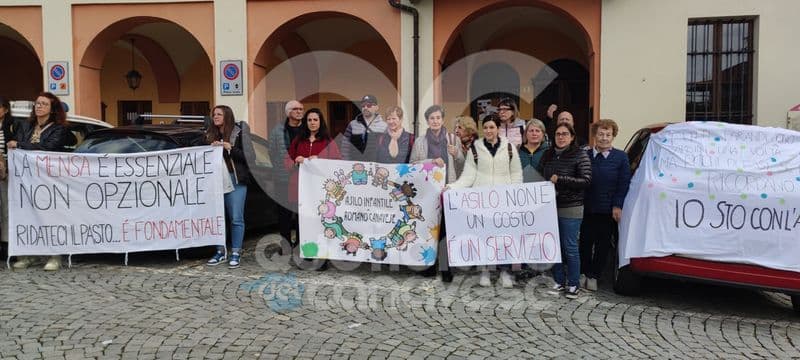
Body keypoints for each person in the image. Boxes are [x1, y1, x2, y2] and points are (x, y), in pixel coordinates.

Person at [449, 114, 523, 288]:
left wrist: (514, 195)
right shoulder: (475, 149)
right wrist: (451, 187)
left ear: (498, 128)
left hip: (503, 201)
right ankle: (485, 271)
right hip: (482, 202)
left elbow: (516, 174)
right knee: (484, 237)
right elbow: (468, 176)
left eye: (492, 127)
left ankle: (504, 272)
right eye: (486, 127)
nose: (489, 131)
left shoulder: (509, 148)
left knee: (503, 238)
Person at [8, 92, 77, 271]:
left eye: (44, 104)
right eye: (37, 103)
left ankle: (55, 256)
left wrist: (20, 145)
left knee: (51, 217)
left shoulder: (59, 129)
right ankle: (28, 255)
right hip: (25, 180)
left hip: (49, 180)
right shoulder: (25, 125)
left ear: (52, 109)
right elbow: (19, 145)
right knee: (26, 216)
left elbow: (48, 147)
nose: (39, 106)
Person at [410, 105, 464, 282]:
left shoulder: (453, 139)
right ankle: (430, 266)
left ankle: (446, 268)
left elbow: (462, 166)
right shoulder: (420, 142)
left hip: (447, 189)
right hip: (427, 192)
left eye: (438, 118)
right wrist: (431, 161)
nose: (435, 121)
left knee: (446, 231)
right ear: (427, 121)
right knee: (429, 229)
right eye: (432, 118)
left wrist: (457, 154)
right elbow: (412, 165)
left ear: (442, 119)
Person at [540, 123, 592, 299]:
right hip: (550, 206)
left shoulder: (580, 154)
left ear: (572, 137)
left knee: (570, 246)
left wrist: (561, 179)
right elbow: (540, 175)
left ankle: (573, 284)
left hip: (571, 206)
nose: (561, 137)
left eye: (564, 134)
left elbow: (586, 180)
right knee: (555, 246)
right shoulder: (548, 154)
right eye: (558, 134)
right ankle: (559, 281)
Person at [580, 119, 631, 291]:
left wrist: (617, 205)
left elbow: (623, 183)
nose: (604, 138)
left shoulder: (621, 157)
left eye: (608, 135)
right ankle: (583, 272)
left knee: (603, 245)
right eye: (601, 134)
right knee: (585, 242)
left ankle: (594, 275)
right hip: (586, 207)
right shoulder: (585, 155)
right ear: (595, 135)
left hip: (607, 210)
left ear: (613, 136)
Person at [205, 105, 255, 268]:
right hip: (215, 180)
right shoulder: (209, 134)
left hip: (235, 179)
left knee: (236, 217)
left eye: (219, 114)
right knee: (218, 217)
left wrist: (230, 148)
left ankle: (235, 252)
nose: (215, 117)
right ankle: (220, 251)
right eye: (214, 114)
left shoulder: (239, 133)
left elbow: (250, 157)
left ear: (227, 116)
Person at [286, 108, 341, 251]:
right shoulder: (298, 140)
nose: (312, 122)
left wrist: (319, 159)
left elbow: (337, 162)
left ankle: (321, 250)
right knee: (301, 219)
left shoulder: (328, 141)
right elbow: (287, 160)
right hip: (300, 187)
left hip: (320, 189)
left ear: (320, 121)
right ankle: (303, 250)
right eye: (309, 120)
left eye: (315, 120)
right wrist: (295, 161)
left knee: (319, 219)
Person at [268, 100, 304, 250]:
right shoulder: (277, 131)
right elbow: (272, 152)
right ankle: (286, 244)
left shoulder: (306, 129)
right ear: (288, 112)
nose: (299, 111)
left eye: (301, 109)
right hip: (283, 178)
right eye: (296, 109)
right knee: (284, 214)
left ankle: (301, 243)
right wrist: (282, 167)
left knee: (301, 213)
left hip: (303, 179)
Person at [1, 96, 23, 251]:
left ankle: (7, 244)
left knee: (6, 209)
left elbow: (17, 146)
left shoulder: (13, 124)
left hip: (8, 173)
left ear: (5, 109)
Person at [340, 94, 387, 161]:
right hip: (355, 164)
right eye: (363, 106)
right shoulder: (352, 124)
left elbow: (387, 147)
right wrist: (347, 161)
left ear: (376, 107)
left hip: (375, 164)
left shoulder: (384, 126)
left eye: (369, 105)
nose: (365, 108)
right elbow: (345, 146)